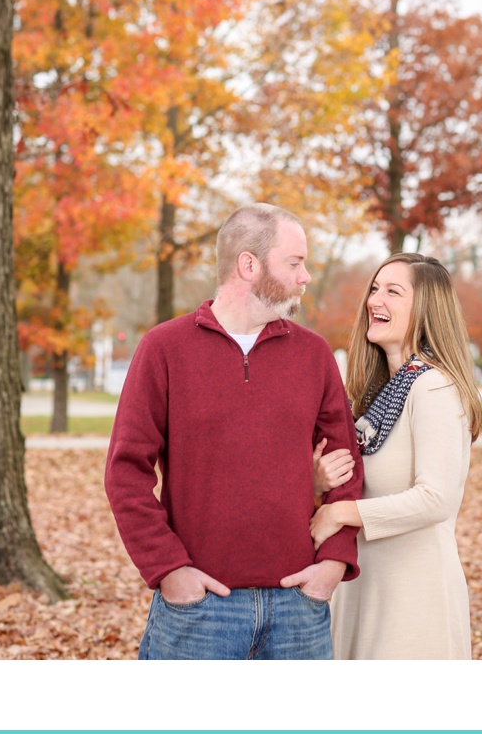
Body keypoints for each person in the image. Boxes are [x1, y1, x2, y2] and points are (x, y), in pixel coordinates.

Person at [104, 203, 364, 659]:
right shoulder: (164, 348)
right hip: (199, 609)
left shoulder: (314, 354)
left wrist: (333, 563)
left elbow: (346, 466)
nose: (305, 276)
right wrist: (169, 569)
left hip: (298, 609)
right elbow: (125, 472)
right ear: (249, 264)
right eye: (295, 262)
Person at [309, 253, 482, 659]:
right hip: (361, 589)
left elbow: (436, 498)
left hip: (414, 601)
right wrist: (318, 486)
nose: (374, 300)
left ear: (425, 307)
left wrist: (339, 514)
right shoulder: (378, 396)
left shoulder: (433, 386)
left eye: (392, 291)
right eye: (374, 288)